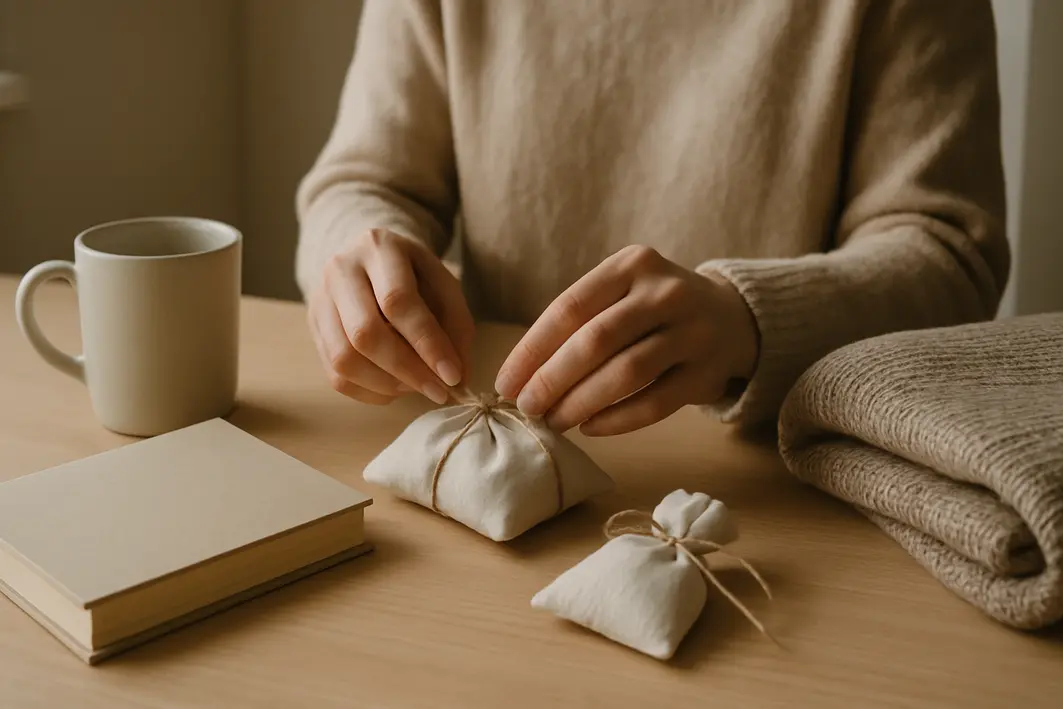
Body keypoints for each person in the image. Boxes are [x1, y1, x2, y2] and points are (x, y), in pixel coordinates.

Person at [295, 0, 1009, 436]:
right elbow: (361, 182)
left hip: (781, 485)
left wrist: (744, 322)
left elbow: (948, 253)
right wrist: (355, 260)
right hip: (484, 464)